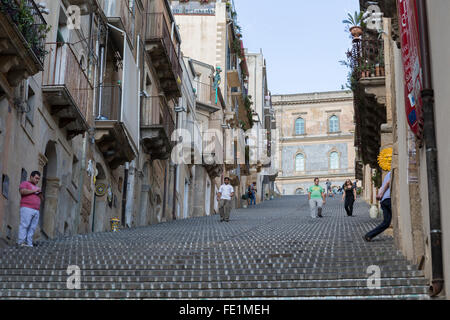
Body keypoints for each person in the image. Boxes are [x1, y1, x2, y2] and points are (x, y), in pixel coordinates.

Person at [364, 171, 392, 241]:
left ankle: (369, 235)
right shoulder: (392, 172)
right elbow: (388, 183)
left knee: (386, 223)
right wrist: (381, 194)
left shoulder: (387, 174)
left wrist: (380, 195)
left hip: (384, 201)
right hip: (388, 199)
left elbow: (382, 186)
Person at [18, 171, 43, 247]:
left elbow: (42, 199)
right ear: (31, 177)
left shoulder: (37, 188)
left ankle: (29, 243)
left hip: (36, 210)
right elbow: (22, 191)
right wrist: (34, 190)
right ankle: (21, 242)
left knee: (32, 227)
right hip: (27, 208)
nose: (37, 180)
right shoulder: (25, 183)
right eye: (36, 178)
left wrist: (40, 194)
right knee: (24, 225)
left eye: (38, 179)